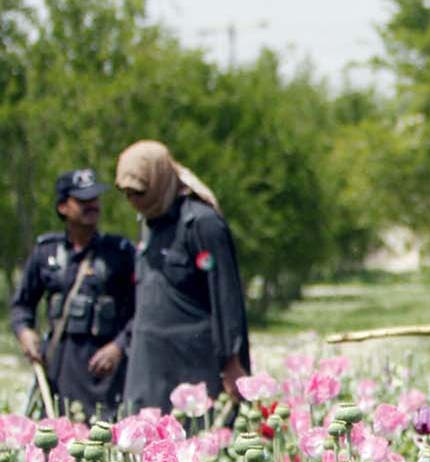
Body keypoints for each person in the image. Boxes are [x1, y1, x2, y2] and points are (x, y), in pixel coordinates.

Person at [113, 141, 250, 412]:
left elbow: (225, 296)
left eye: (138, 192)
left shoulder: (201, 223)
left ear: (159, 181)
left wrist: (232, 362)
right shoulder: (149, 223)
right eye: (126, 194)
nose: (133, 202)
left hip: (192, 364)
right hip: (148, 362)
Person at [10, 169, 136, 419]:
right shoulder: (45, 252)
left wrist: (118, 347)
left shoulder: (120, 253)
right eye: (82, 200)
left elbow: (141, 310)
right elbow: (22, 306)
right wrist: (25, 333)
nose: (92, 205)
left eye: (94, 199)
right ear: (63, 207)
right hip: (59, 368)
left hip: (106, 373)